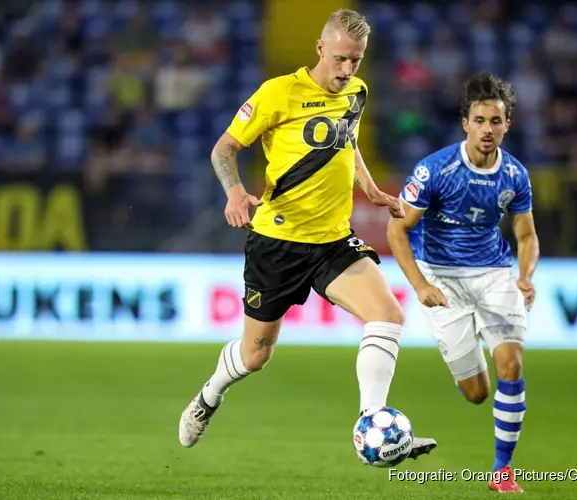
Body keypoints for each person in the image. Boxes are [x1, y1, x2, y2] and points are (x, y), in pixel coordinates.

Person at [178, 9, 437, 461]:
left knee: (388, 316)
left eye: (355, 60)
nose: (346, 70)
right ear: (320, 48)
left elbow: (348, 141)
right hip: (277, 244)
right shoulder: (279, 92)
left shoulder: (357, 91)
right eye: (339, 59)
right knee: (255, 356)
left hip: (333, 241)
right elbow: (225, 148)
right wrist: (236, 192)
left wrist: (371, 188)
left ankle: (370, 426)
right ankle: (208, 396)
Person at [387, 72, 539, 493]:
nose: (487, 129)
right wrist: (419, 285)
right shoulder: (435, 169)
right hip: (441, 279)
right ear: (465, 123)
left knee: (511, 362)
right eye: (479, 120)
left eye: (496, 121)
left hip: (494, 274)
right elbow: (397, 230)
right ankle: (471, 358)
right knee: (476, 393)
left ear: (507, 124)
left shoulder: (515, 175)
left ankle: (502, 471)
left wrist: (525, 277)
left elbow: (526, 235)